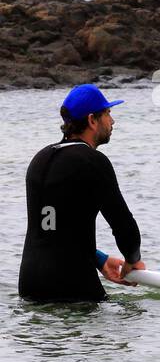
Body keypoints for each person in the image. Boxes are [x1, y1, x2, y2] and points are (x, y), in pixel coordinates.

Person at [19, 84, 145, 303]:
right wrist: (132, 260)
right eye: (108, 114)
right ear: (92, 120)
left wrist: (100, 260)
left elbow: (51, 231)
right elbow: (124, 227)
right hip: (73, 286)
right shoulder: (93, 162)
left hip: (30, 284)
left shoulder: (39, 159)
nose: (112, 121)